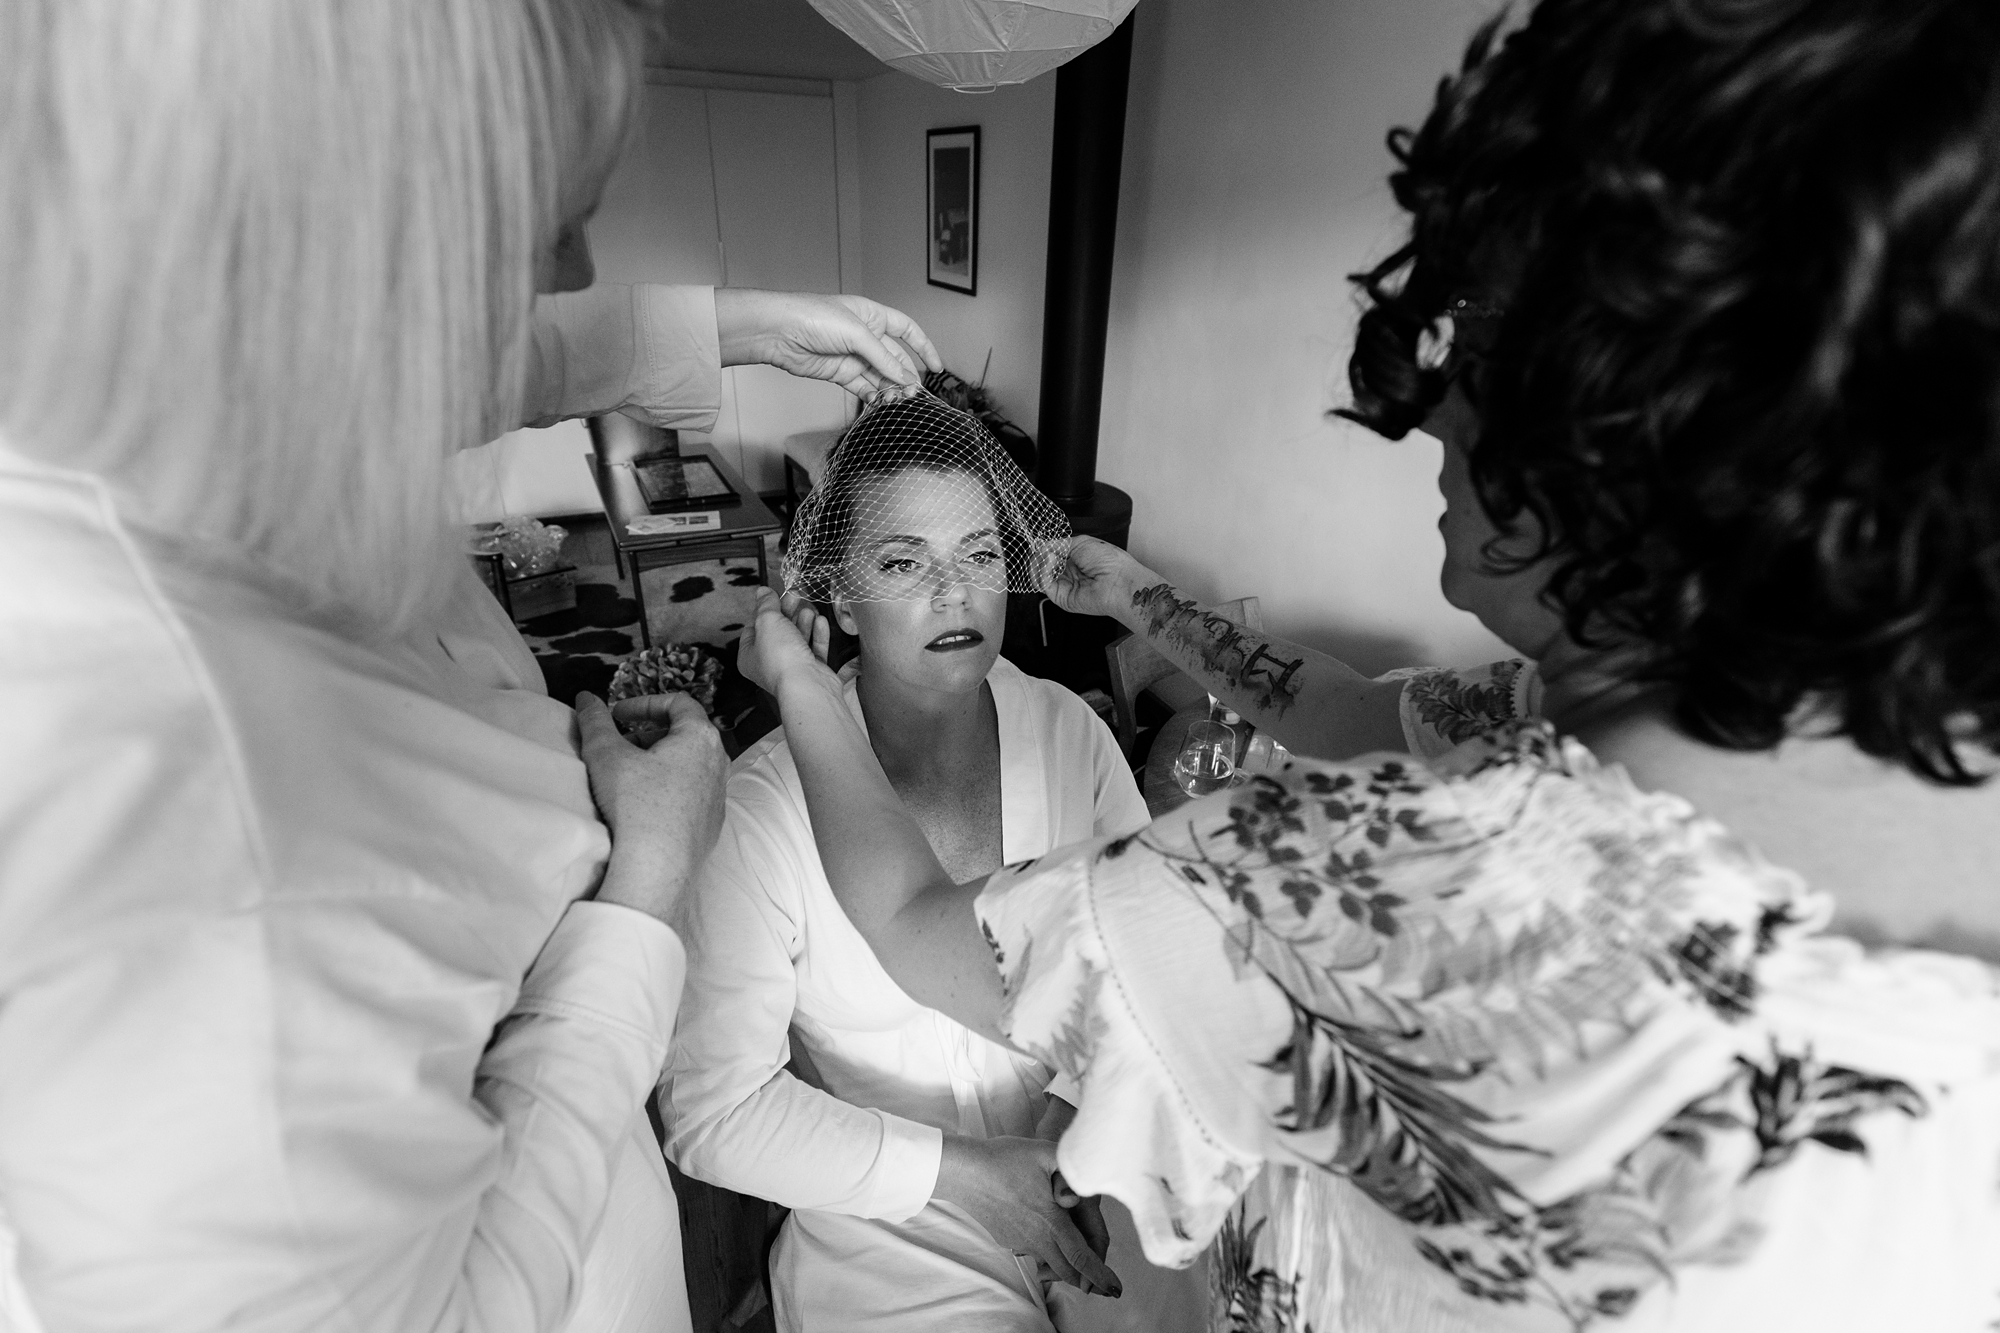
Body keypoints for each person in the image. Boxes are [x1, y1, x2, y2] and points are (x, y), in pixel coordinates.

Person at [737, 0, 2000, 1328]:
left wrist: (803, 690)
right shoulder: (1849, 735)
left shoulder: (1363, 896)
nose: (1433, 409)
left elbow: (919, 930)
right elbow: (1354, 711)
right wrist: (1155, 606)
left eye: (1486, 349)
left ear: (1628, 426)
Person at [0, 3, 940, 1330]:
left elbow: (464, 353)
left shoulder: (196, 391)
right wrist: (651, 881)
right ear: (325, 239)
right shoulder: (181, 826)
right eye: (528, 223)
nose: (572, 263)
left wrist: (732, 324)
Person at [664, 392, 1200, 1333]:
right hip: (889, 1246)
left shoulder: (1071, 736)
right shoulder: (764, 807)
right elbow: (713, 1112)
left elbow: (1144, 981)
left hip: (1103, 1176)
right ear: (833, 591)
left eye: (980, 554)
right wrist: (957, 1175)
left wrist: (1074, 1132)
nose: (953, 593)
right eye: (903, 560)